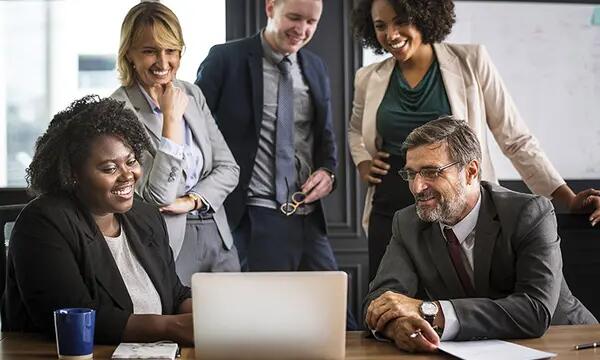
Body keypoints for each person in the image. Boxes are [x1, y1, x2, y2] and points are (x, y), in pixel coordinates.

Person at [349, 0, 600, 281]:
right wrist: (363, 161)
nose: (391, 35)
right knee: (387, 298)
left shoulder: (471, 61)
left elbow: (515, 138)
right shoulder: (367, 77)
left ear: (424, 15)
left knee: (456, 302)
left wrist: (566, 197)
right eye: (380, 26)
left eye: (401, 21)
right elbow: (355, 131)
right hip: (390, 203)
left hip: (455, 203)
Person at [363, 117, 597, 353]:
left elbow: (534, 310)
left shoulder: (529, 213)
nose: (417, 187)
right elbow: (380, 300)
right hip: (473, 351)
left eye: (431, 172)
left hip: (569, 344)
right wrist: (398, 325)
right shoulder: (408, 223)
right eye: (411, 174)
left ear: (470, 172)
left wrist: (431, 311)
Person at [1, 96, 193, 345]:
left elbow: (174, 295)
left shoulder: (145, 216)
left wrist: (212, 313)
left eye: (131, 161)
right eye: (109, 168)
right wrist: (172, 327)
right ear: (73, 174)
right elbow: (73, 315)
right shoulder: (43, 223)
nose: (127, 175)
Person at [195, 0, 338, 273]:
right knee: (269, 312)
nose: (302, 29)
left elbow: (325, 135)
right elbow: (193, 126)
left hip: (309, 217)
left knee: (335, 312)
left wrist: (328, 172)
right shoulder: (225, 59)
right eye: (294, 18)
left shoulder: (316, 66)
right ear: (271, 7)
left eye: (311, 22)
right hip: (254, 214)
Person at [111, 2, 241, 285]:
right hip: (168, 241)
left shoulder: (191, 93)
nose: (163, 61)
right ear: (129, 54)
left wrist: (192, 200)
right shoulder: (118, 109)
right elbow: (157, 195)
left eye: (171, 50)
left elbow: (229, 168)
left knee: (233, 325)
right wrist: (171, 120)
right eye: (149, 51)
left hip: (217, 234)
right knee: (179, 328)